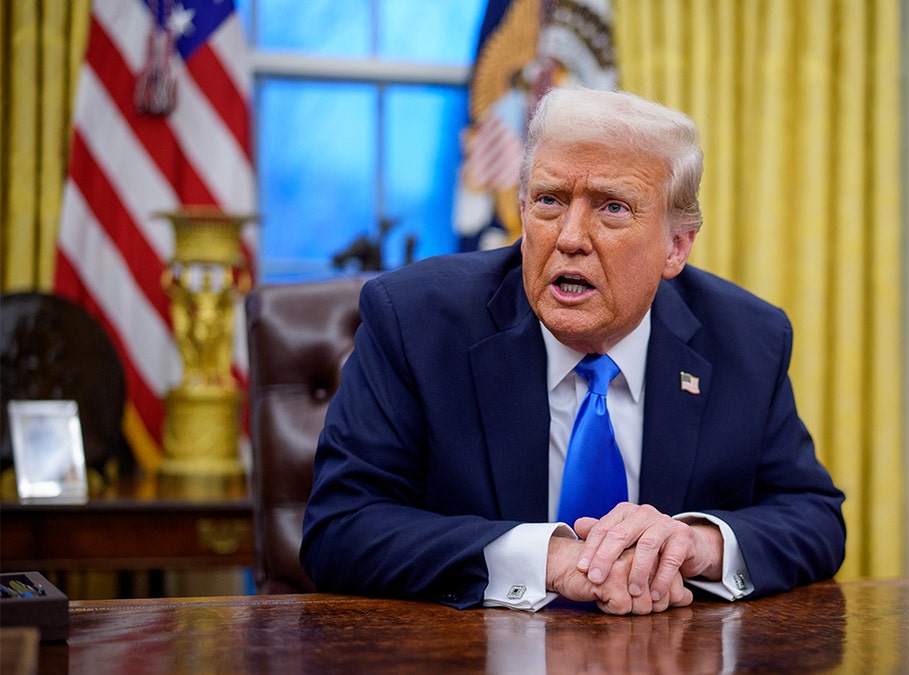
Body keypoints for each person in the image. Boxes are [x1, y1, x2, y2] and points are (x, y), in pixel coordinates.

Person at [301, 87, 846, 615]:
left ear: (675, 245)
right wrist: (550, 560)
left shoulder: (747, 339)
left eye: (612, 207)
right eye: (549, 201)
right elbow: (341, 528)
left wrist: (695, 544)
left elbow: (813, 518)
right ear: (521, 209)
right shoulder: (414, 321)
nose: (570, 237)